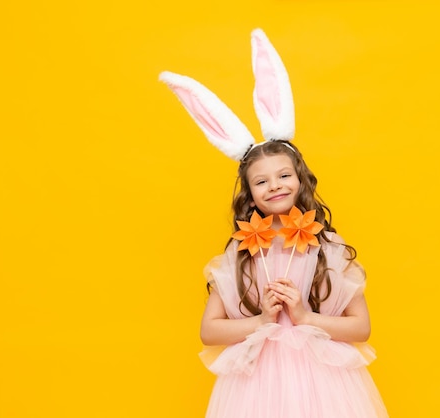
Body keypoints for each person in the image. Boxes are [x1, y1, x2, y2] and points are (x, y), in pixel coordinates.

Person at [160, 28, 389, 418]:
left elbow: (361, 328)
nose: (275, 186)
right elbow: (209, 332)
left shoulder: (326, 245)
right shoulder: (243, 251)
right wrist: (263, 320)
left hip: (325, 386)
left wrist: (304, 317)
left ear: (300, 178)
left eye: (283, 175)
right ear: (249, 194)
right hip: (255, 389)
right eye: (261, 181)